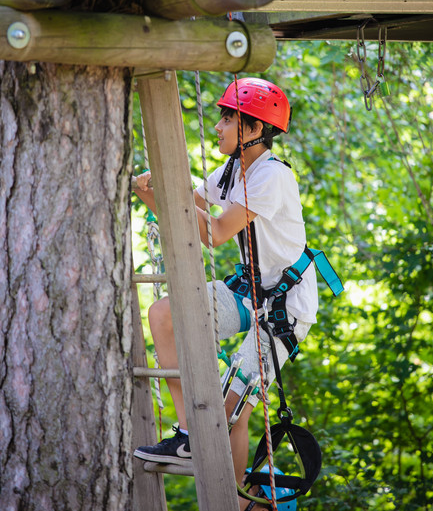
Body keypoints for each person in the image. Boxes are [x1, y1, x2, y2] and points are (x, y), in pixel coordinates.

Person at [132, 77, 318, 511]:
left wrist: (166, 195)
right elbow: (184, 213)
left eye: (228, 118)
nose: (217, 126)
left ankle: (237, 505)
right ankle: (189, 435)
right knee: (165, 314)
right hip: (251, 290)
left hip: (284, 308)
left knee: (233, 410)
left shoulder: (270, 176)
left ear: (253, 130)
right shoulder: (232, 170)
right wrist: (152, 195)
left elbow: (213, 231)